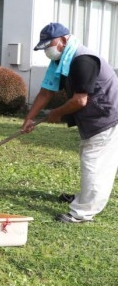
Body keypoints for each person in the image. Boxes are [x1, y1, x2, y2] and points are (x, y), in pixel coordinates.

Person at [22, 22, 118, 223]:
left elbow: (79, 100)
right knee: (89, 158)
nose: (47, 50)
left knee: (95, 164)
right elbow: (46, 92)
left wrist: (56, 113)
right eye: (45, 47)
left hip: (107, 118)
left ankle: (82, 213)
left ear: (64, 40)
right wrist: (29, 118)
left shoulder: (83, 60)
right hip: (92, 120)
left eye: (50, 45)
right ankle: (84, 198)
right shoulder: (61, 61)